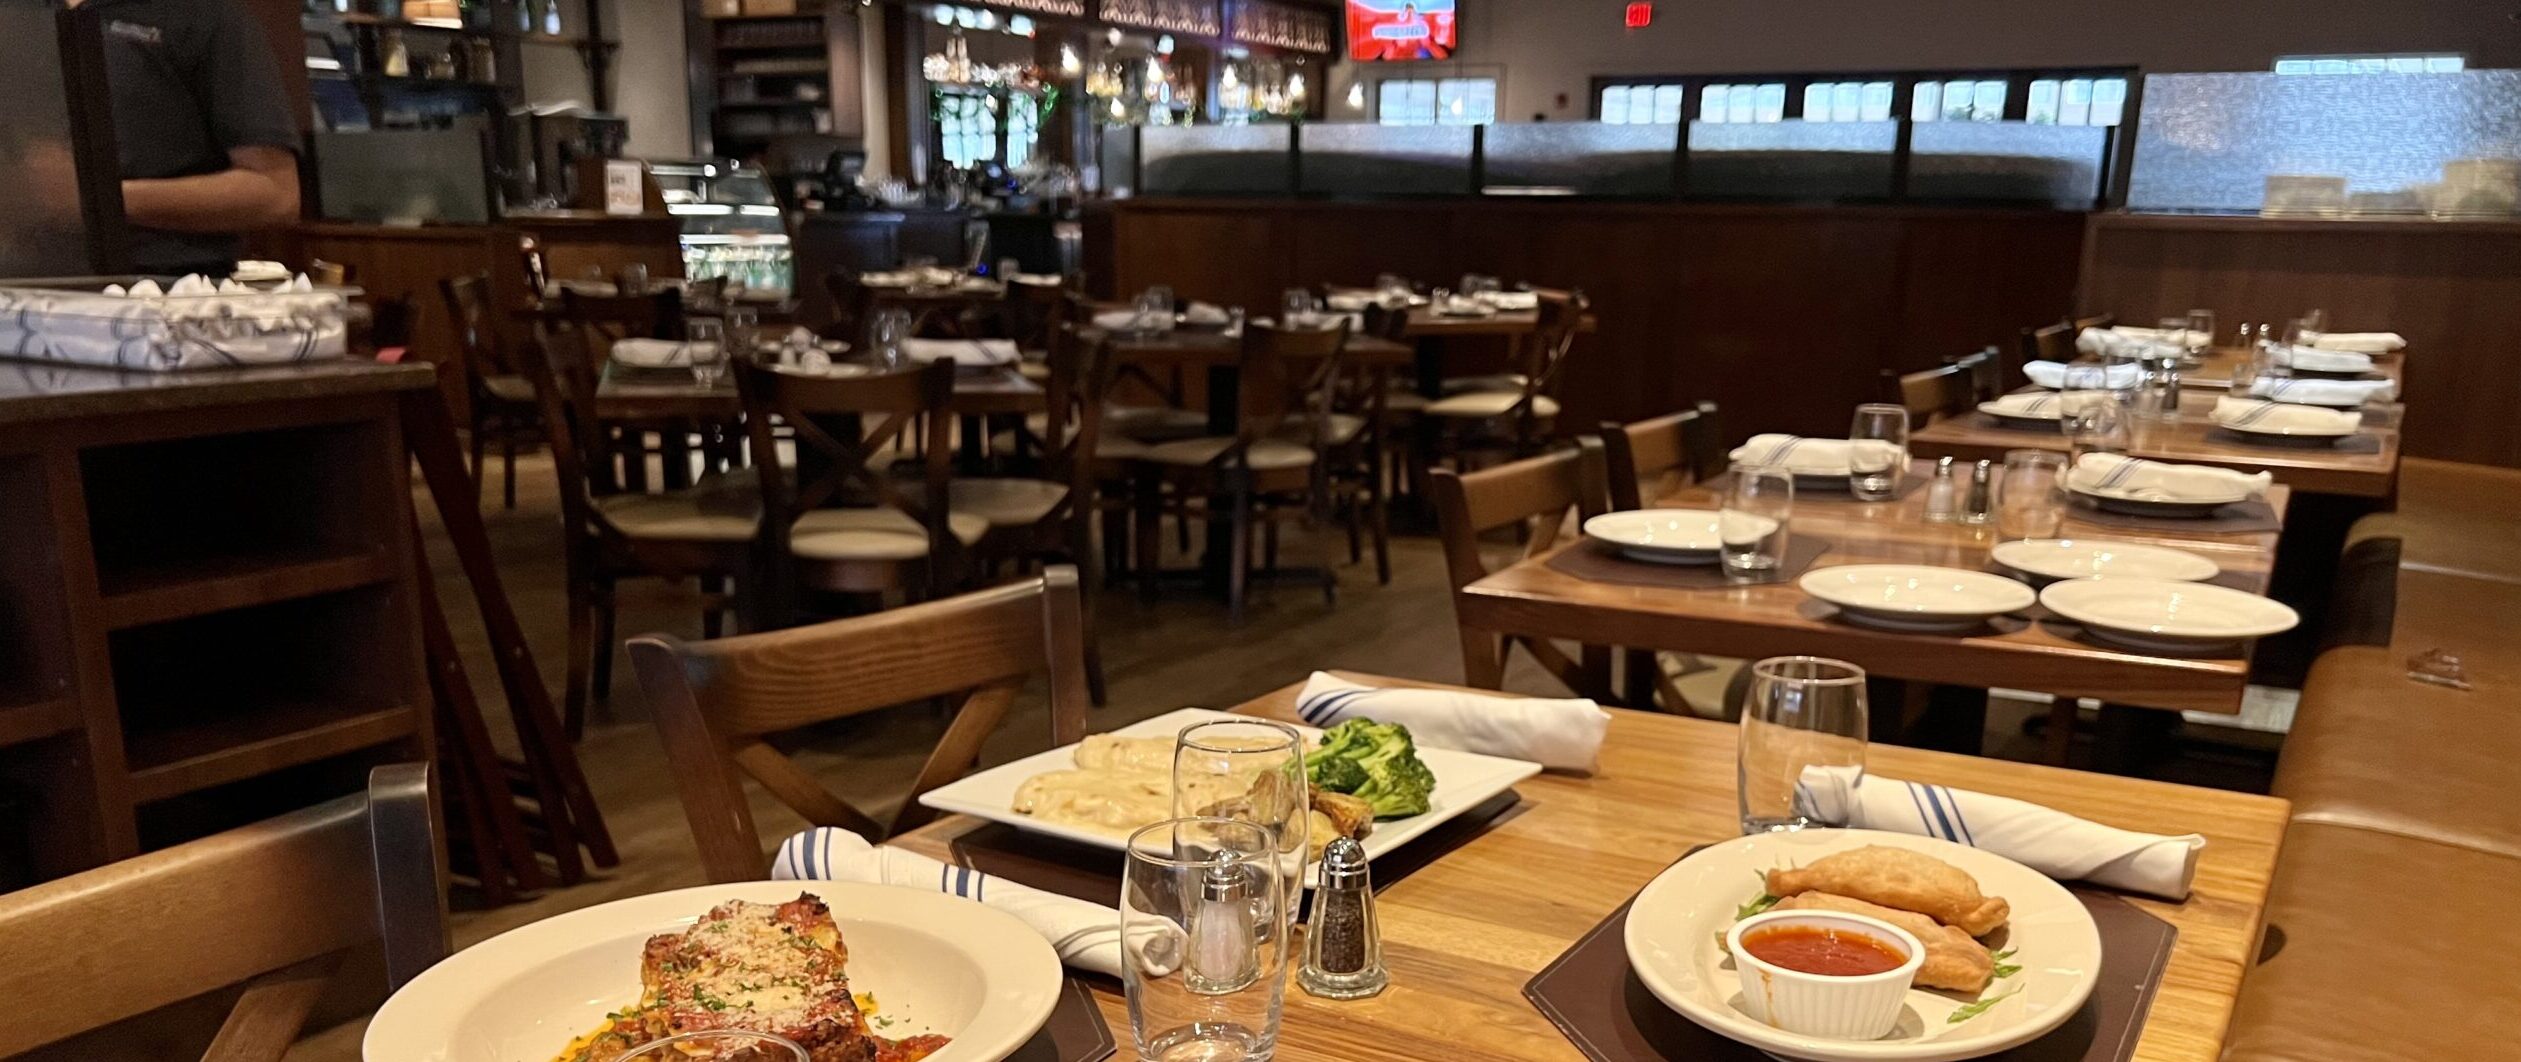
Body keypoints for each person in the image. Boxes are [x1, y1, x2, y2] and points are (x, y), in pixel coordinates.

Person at [71, 0, 300, 276]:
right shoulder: (20, 13)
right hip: (17, 285)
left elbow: (275, 194)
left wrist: (104, 198)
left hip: (162, 290)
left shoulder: (207, 16)